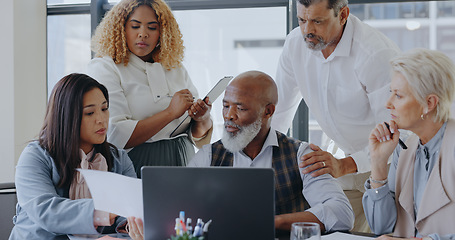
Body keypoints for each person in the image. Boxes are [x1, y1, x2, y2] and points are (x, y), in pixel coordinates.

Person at [126, 71, 354, 240]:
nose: (229, 116)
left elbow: (342, 213)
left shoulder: (300, 154)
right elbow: (180, 215)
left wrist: (273, 222)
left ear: (268, 111)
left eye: (240, 108)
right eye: (225, 106)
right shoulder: (208, 157)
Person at [271, 0, 400, 232]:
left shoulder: (374, 53)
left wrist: (345, 165)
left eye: (317, 21)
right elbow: (278, 113)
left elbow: (399, 131)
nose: (307, 30)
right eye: (302, 20)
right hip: (347, 159)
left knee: (389, 233)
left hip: (392, 163)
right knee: (331, 226)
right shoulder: (295, 45)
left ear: (343, 15)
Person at [87, 0, 213, 177]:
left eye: (152, 28)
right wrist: (170, 112)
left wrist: (203, 118)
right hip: (138, 164)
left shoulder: (175, 68)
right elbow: (115, 134)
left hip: (185, 161)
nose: (143, 34)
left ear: (163, 32)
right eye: (135, 26)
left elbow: (196, 135)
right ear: (121, 28)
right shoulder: (105, 68)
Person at [9, 74, 137, 240]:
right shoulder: (35, 156)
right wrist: (103, 210)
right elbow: (46, 211)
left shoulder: (119, 159)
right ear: (66, 116)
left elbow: (130, 217)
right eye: (90, 113)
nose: (101, 120)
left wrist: (129, 230)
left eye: (104, 109)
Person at [363, 49, 455, 240]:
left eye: (398, 95)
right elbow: (381, 227)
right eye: (391, 93)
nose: (388, 103)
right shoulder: (404, 148)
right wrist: (378, 164)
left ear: (429, 103)